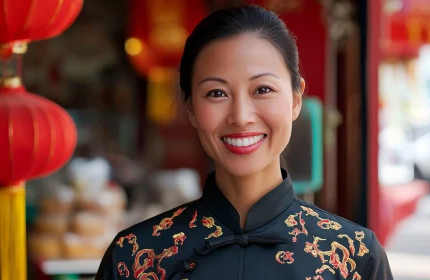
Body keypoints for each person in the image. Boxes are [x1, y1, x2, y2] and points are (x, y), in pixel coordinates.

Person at [96, 5, 393, 280]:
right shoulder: (135, 257)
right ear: (189, 108)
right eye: (216, 93)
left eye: (262, 89)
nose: (240, 116)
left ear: (296, 99)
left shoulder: (354, 257)